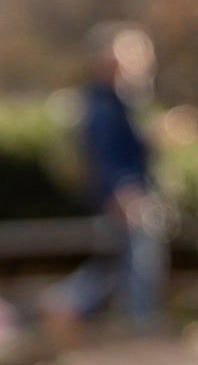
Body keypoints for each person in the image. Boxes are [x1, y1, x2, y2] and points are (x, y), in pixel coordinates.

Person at [45, 23, 166, 332]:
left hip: (129, 191)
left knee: (120, 260)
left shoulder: (125, 101)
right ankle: (128, 317)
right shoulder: (102, 105)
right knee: (129, 259)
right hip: (122, 195)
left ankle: (69, 303)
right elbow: (105, 153)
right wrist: (121, 189)